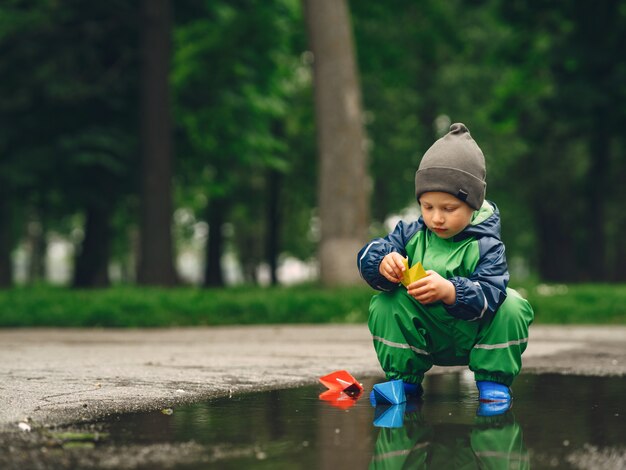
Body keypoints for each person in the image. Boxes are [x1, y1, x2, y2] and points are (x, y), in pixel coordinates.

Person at [357, 123, 534, 408]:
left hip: (474, 334)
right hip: (427, 333)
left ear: (474, 205)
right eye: (428, 207)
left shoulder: (487, 245)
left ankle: (493, 382)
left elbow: (491, 293)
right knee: (384, 303)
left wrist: (451, 291)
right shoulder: (411, 233)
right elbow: (372, 252)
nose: (436, 218)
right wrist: (381, 263)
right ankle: (404, 380)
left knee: (513, 304)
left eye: (448, 209)